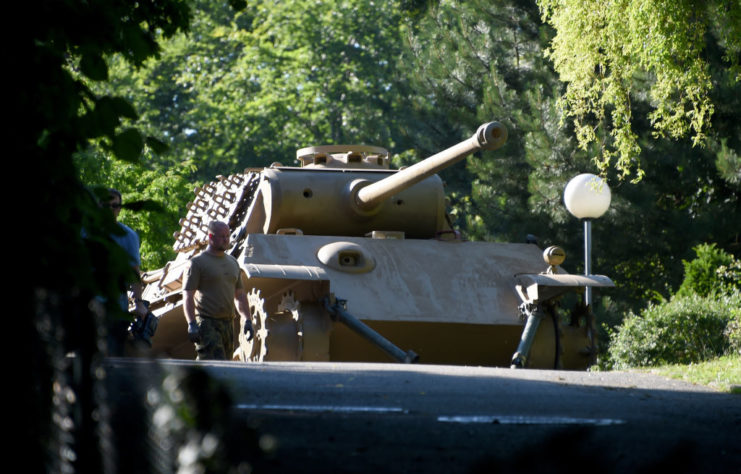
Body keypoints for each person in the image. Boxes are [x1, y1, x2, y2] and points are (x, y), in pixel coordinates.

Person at [182, 220, 254, 360]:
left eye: (227, 236)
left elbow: (239, 295)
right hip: (207, 322)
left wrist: (247, 320)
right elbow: (188, 295)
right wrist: (191, 324)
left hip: (227, 323)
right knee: (216, 364)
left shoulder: (233, 263)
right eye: (221, 236)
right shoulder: (197, 263)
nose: (226, 239)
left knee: (224, 365)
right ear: (210, 237)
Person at [106, 188, 148, 354]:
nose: (110, 209)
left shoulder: (127, 236)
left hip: (116, 302)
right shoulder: (84, 232)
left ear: (120, 208)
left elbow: (134, 273)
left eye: (114, 206)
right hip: (87, 301)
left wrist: (138, 302)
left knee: (115, 352)